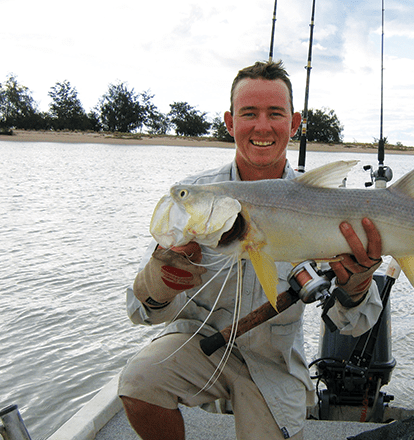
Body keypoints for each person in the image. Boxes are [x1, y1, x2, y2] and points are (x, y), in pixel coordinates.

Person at [118, 60, 384, 440]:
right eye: (249, 114)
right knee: (139, 382)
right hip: (199, 345)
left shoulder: (326, 202)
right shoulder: (194, 197)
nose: (262, 126)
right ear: (230, 122)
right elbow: (141, 314)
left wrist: (357, 284)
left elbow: (355, 325)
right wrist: (157, 284)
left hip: (274, 364)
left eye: (275, 114)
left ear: (294, 124)